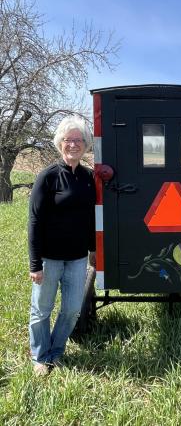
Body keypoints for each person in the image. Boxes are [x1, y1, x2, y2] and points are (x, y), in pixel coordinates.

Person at [28, 115, 96, 375]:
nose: (74, 145)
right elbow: (34, 221)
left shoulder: (88, 178)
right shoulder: (48, 177)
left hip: (77, 258)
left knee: (71, 311)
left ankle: (56, 352)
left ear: (85, 145)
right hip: (49, 258)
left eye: (79, 140)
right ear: (60, 143)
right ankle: (39, 356)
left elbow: (91, 217)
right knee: (41, 310)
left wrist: (92, 249)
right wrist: (35, 264)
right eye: (68, 140)